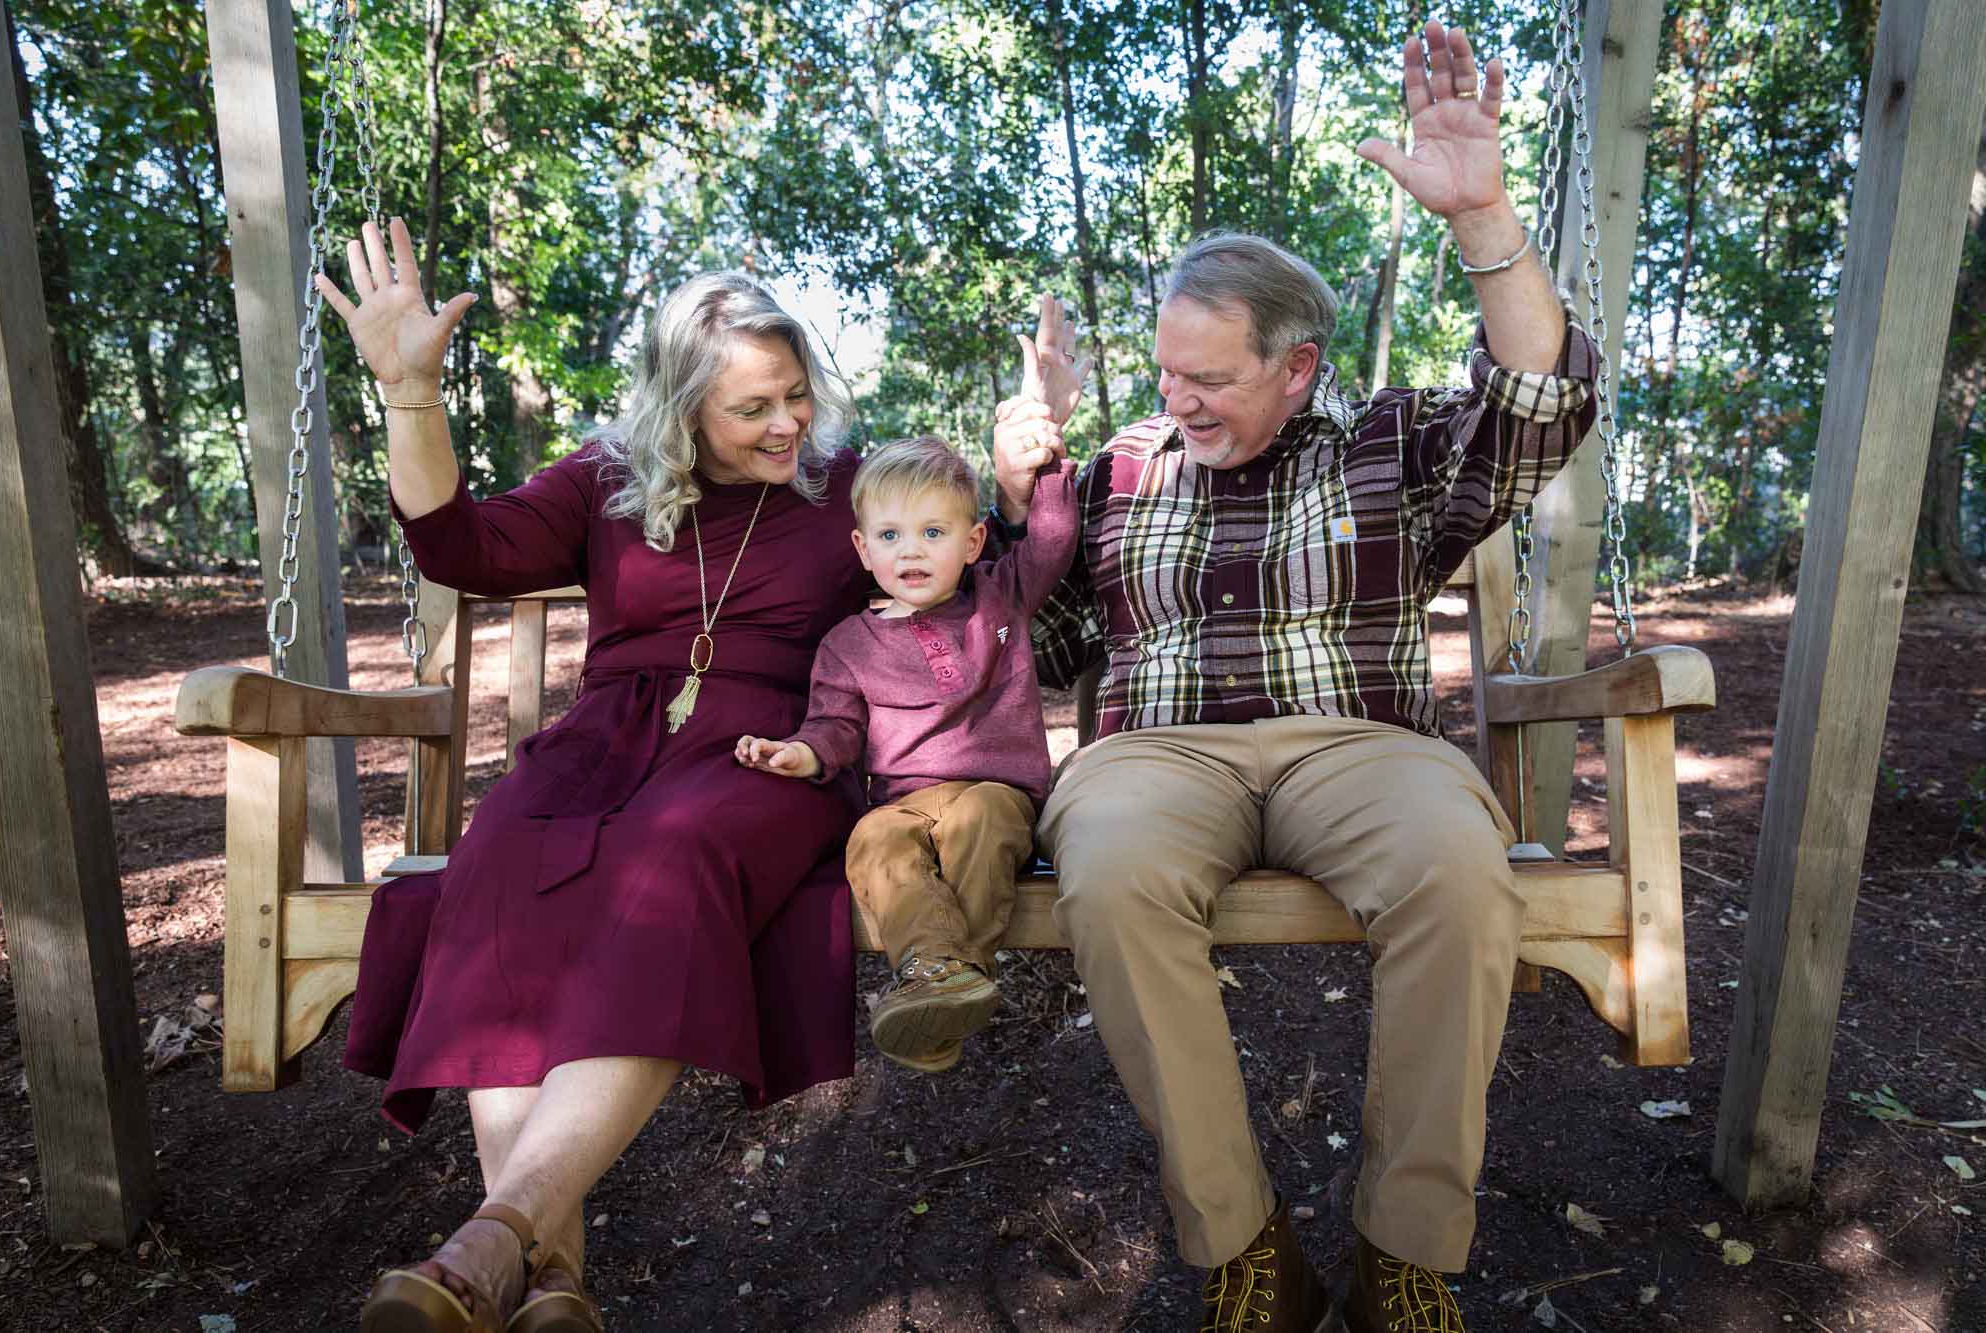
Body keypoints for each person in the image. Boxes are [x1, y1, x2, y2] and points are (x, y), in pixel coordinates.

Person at [316, 220, 1078, 1332]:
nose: (788, 423)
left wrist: (1023, 461)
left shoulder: (845, 487)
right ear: (682, 409)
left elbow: (964, 544)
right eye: (753, 407)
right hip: (605, 743)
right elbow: (458, 550)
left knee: (668, 865)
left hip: (769, 751)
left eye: (795, 394)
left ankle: (493, 1229)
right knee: (498, 871)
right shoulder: (602, 482)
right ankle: (547, 1282)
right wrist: (409, 395)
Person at [989, 22, 1599, 1333]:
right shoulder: (1120, 471)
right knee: (1110, 870)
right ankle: (1247, 1245)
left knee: (1454, 870)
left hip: (1359, 746)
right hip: (1154, 756)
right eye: (1162, 370)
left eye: (1209, 379)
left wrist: (1486, 218)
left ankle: (1403, 1251)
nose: (1175, 398)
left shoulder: (1387, 448)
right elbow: (1024, 650)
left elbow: (1542, 405)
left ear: (1298, 366)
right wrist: (1018, 504)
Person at [734, 426, 1080, 1073]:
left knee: (978, 826)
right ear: (864, 549)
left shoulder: (997, 597)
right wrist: (800, 755)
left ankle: (938, 980)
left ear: (973, 540)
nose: (911, 551)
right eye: (891, 536)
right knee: (871, 839)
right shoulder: (850, 644)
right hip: (905, 800)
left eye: (933, 532)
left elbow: (1053, 542)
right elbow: (833, 727)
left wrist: (1048, 463)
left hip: (996, 791)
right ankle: (948, 981)